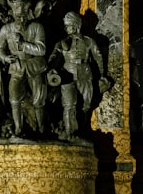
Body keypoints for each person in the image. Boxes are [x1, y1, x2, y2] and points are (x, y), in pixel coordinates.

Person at [47, 11, 110, 140]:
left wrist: (102, 74)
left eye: (69, 25)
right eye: (66, 26)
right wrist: (51, 69)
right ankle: (70, 133)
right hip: (67, 75)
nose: (66, 28)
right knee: (69, 105)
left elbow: (98, 58)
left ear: (76, 26)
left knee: (85, 105)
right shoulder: (62, 42)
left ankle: (81, 131)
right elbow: (54, 56)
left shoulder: (88, 41)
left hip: (85, 74)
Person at [0, 0, 48, 137]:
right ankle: (18, 128)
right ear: (13, 14)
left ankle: (41, 128)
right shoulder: (6, 30)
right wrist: (6, 58)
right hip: (16, 67)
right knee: (14, 97)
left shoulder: (37, 27)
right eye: (18, 16)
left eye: (24, 16)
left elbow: (41, 49)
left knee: (39, 99)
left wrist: (24, 44)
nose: (21, 19)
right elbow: (0, 48)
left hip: (34, 65)